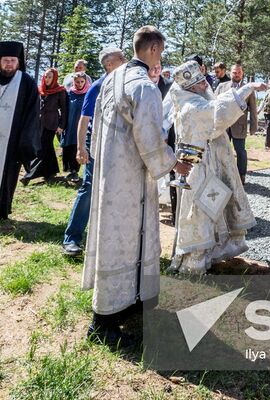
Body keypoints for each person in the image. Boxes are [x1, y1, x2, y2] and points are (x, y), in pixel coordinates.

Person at [82, 26, 190, 348]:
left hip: (109, 175)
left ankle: (131, 301)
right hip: (130, 179)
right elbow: (150, 140)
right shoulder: (145, 87)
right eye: (163, 50)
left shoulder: (113, 78)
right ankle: (103, 322)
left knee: (121, 240)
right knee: (124, 243)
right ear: (155, 48)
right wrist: (174, 163)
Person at [168, 59, 264, 275]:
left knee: (213, 211)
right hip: (197, 169)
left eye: (204, 80)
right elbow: (216, 113)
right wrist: (248, 88)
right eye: (201, 83)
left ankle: (210, 255)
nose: (205, 85)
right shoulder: (191, 106)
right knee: (200, 214)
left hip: (208, 164)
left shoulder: (194, 100)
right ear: (191, 87)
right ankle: (195, 263)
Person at [62, 47, 126, 257]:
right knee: (89, 187)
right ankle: (71, 239)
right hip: (95, 141)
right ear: (109, 64)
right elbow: (84, 120)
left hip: (116, 143)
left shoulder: (123, 84)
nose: (126, 61)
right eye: (121, 59)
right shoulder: (97, 87)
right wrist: (81, 148)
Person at [0, 41, 40, 220]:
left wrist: (25, 141)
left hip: (12, 141)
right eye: (6, 60)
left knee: (6, 177)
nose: (9, 64)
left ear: (19, 62)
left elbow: (33, 114)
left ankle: (1, 210)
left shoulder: (26, 82)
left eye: (13, 60)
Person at [22, 67, 68, 185]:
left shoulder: (60, 91)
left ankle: (28, 175)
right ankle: (50, 171)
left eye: (50, 77)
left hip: (52, 124)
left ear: (54, 78)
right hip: (39, 124)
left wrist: (62, 125)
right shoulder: (40, 90)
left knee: (41, 148)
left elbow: (64, 110)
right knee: (48, 148)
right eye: (45, 76)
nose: (47, 79)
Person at [217, 63, 258, 185]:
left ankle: (241, 176)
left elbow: (253, 109)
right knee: (221, 151)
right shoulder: (221, 87)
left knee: (240, 152)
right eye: (234, 72)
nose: (237, 74)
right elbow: (214, 105)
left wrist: (253, 127)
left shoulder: (248, 89)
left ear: (242, 73)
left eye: (239, 72)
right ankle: (222, 175)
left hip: (239, 127)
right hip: (224, 126)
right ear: (230, 73)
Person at [62, 73, 90, 184]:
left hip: (82, 126)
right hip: (69, 125)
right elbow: (64, 110)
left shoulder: (88, 94)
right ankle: (69, 171)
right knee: (67, 147)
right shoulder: (69, 93)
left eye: (82, 82)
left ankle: (75, 171)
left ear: (85, 81)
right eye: (77, 82)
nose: (79, 84)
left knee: (76, 146)